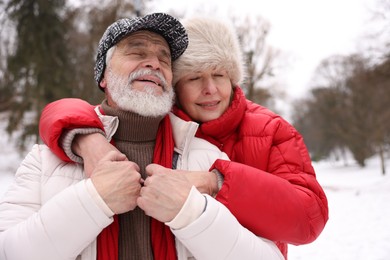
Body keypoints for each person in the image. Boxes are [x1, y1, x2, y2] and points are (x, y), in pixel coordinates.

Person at [39, 16, 328, 259]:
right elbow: (71, 109)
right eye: (194, 78)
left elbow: (309, 217)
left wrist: (213, 181)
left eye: (219, 75)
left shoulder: (270, 129)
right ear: (174, 86)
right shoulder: (162, 123)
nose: (210, 89)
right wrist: (87, 139)